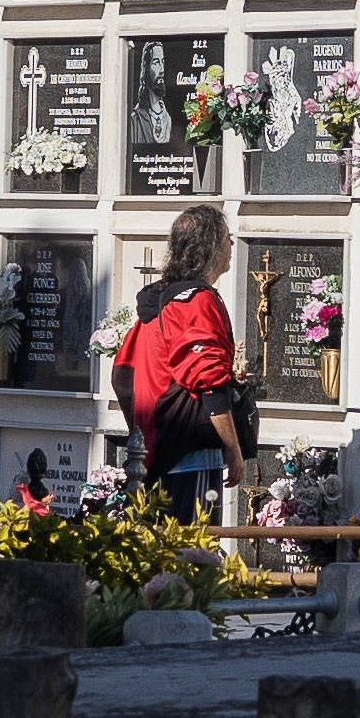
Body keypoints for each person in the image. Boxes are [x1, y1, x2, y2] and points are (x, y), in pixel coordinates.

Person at [111, 204, 251, 517]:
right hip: (190, 452)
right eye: (227, 238)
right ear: (211, 247)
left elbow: (122, 375)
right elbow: (209, 382)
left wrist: (145, 427)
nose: (232, 245)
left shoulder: (159, 303)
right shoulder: (197, 302)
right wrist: (233, 447)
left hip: (155, 450)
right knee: (193, 555)